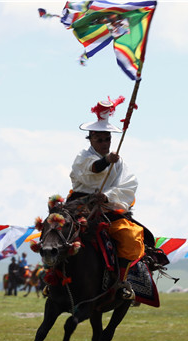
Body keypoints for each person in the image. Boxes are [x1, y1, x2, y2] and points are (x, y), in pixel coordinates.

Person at [66, 97, 145, 299]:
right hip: (80, 206)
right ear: (90, 139)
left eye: (107, 139)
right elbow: (91, 169)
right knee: (58, 231)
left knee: (130, 236)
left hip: (108, 209)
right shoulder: (83, 156)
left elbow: (129, 185)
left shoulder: (120, 163)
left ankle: (122, 282)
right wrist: (106, 161)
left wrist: (108, 196)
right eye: (99, 140)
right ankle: (54, 279)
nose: (104, 143)